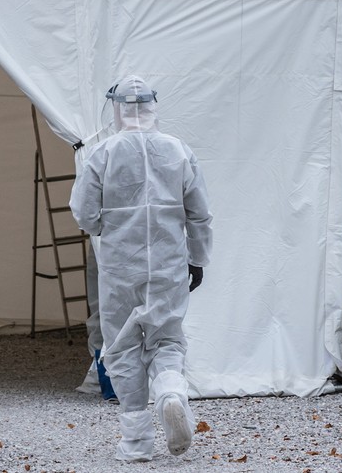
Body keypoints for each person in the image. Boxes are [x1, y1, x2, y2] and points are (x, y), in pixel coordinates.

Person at [69, 75, 213, 462]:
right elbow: (199, 214)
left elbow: (83, 212)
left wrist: (105, 228)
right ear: (153, 107)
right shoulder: (178, 151)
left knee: (122, 345)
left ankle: (136, 442)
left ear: (116, 109)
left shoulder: (102, 153)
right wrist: (197, 259)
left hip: (119, 267)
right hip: (168, 264)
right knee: (166, 339)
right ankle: (169, 392)